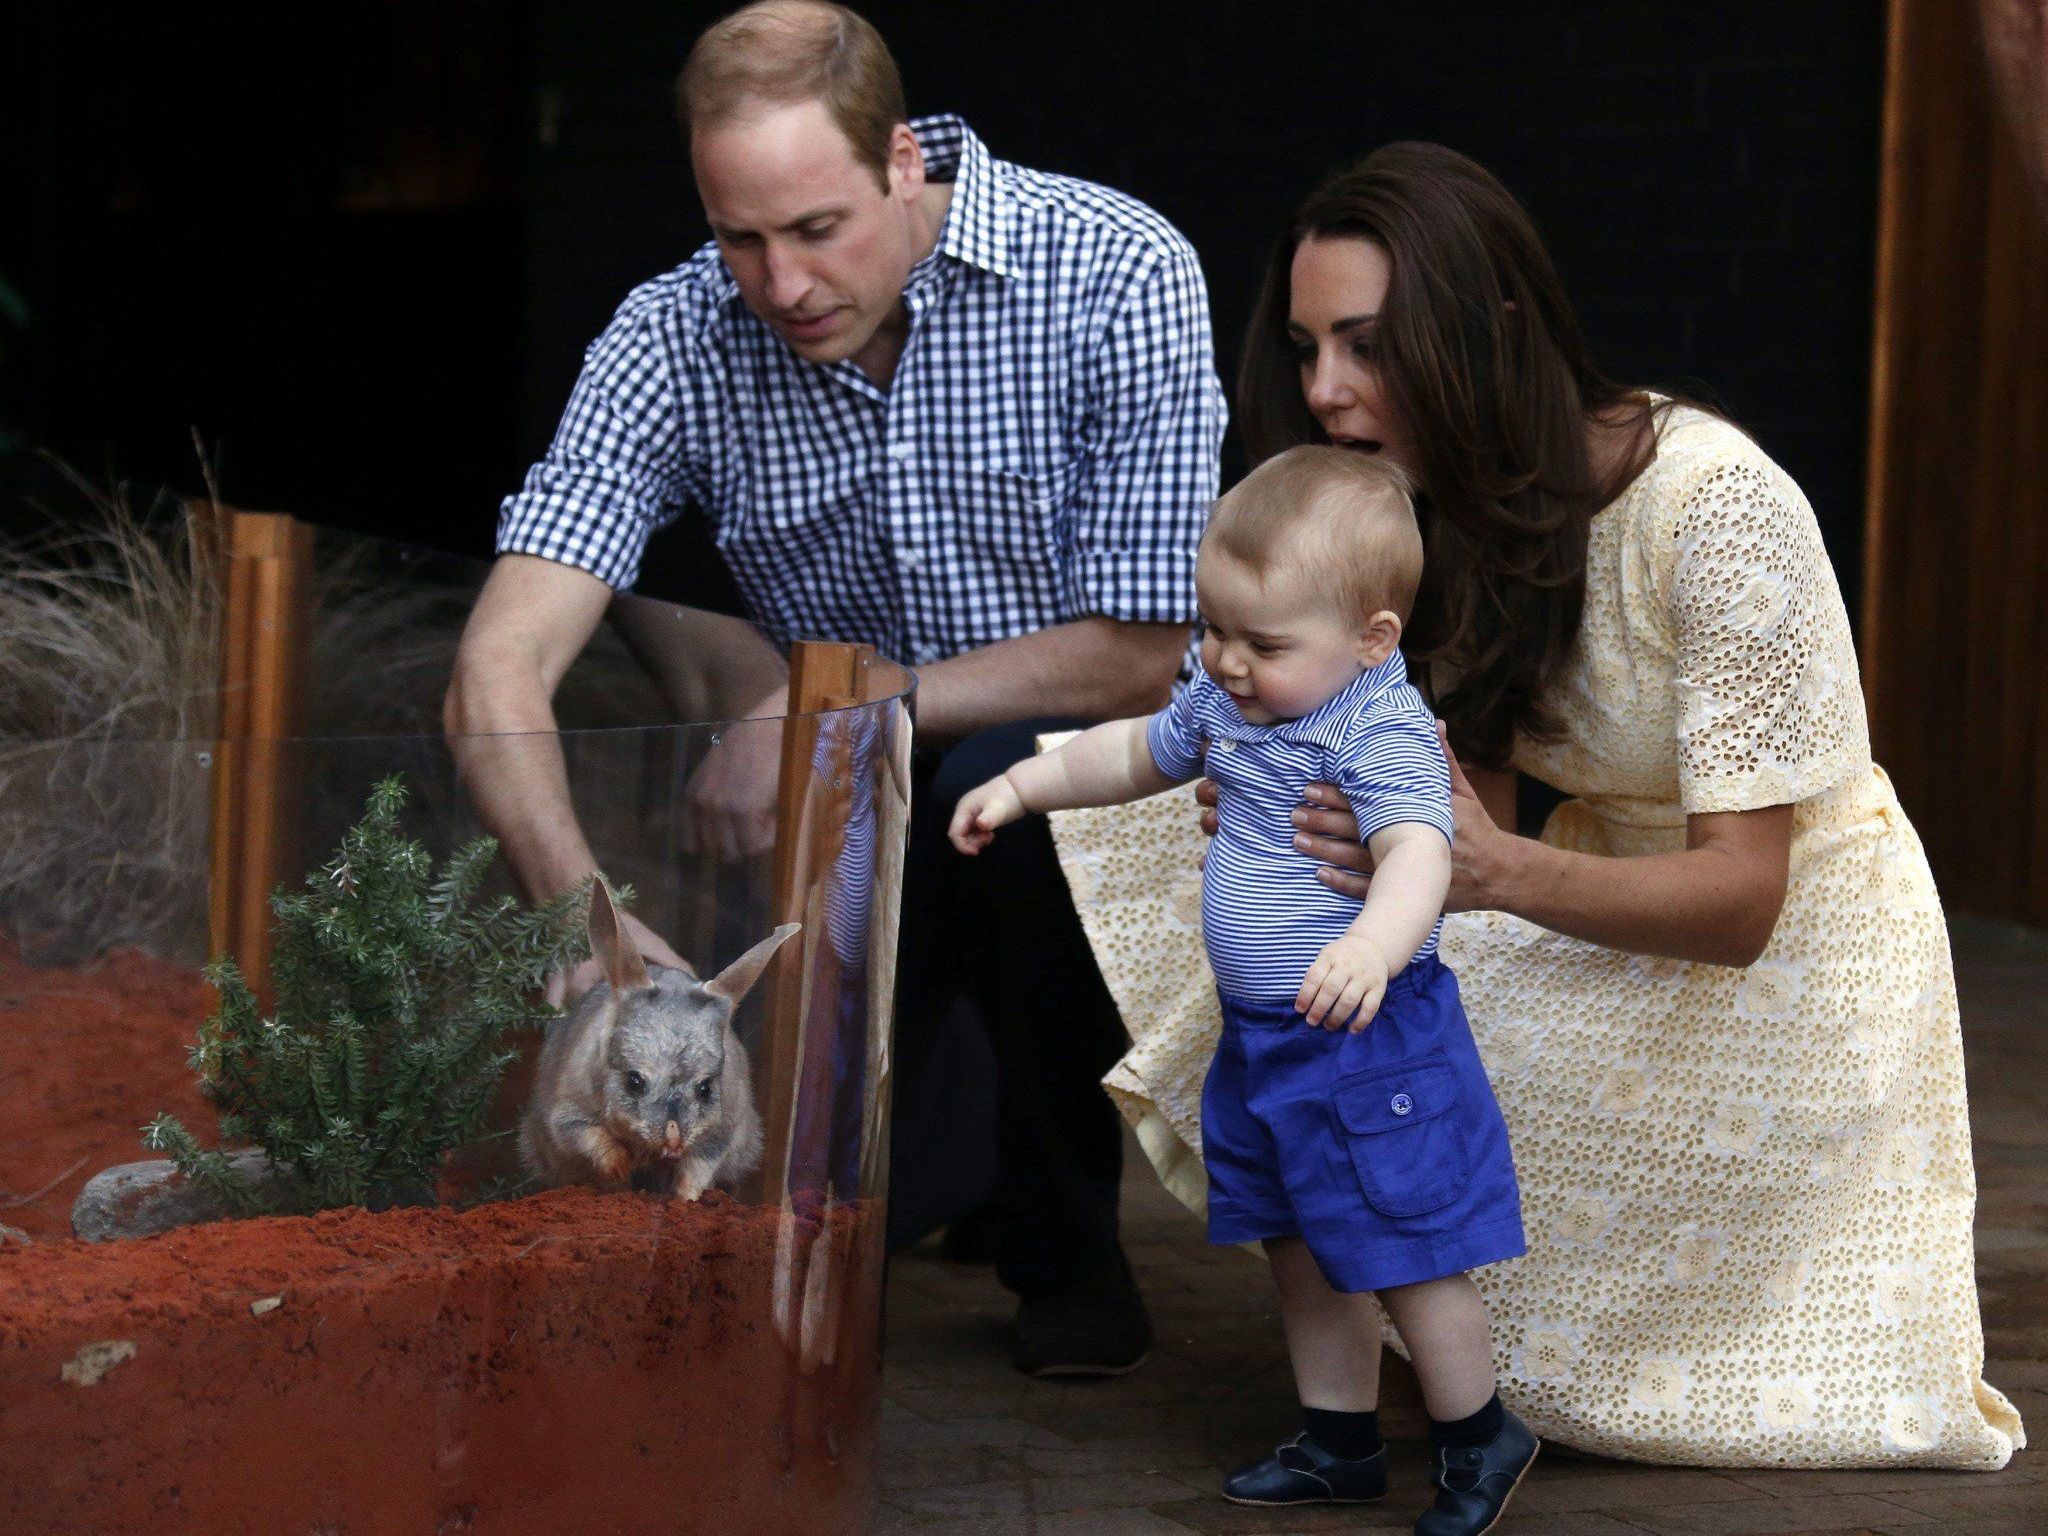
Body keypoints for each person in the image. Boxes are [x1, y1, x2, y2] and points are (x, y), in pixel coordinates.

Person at [1051, 142, 2025, 1468]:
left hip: (1791, 963)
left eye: (1365, 345)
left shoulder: (1720, 504)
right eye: (1305, 346)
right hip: (1574, 890)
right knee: (1209, 867)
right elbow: (1463, 804)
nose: (1325, 390)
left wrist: (1484, 873)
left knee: (1376, 1022)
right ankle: (1389, 1321)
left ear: (1486, 329)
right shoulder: (1433, 511)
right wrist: (1310, 824)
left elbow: (1742, 903)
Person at [443, 0, 1227, 1376]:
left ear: (905, 161)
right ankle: (927, 1166)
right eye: (739, 237)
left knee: (1010, 790)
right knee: (817, 1227)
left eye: (817, 230)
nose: (781, 281)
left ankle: (1067, 1249)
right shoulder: (674, 334)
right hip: (848, 814)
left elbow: (1150, 643)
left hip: (1099, 777)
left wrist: (837, 706)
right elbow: (498, 665)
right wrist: (589, 915)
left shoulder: (1113, 264)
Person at [953, 446, 1539, 1530]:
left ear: (1372, 639)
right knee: (1302, 1244)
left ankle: (1477, 1436)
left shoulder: (1377, 724)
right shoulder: (1229, 703)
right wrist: (1021, 784)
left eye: (1261, 642)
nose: (1224, 660)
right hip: (1267, 1038)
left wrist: (1372, 944)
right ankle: (1336, 1438)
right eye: (1211, 628)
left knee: (1404, 1252)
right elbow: (1132, 751)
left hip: (1370, 1041)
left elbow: (1418, 852)